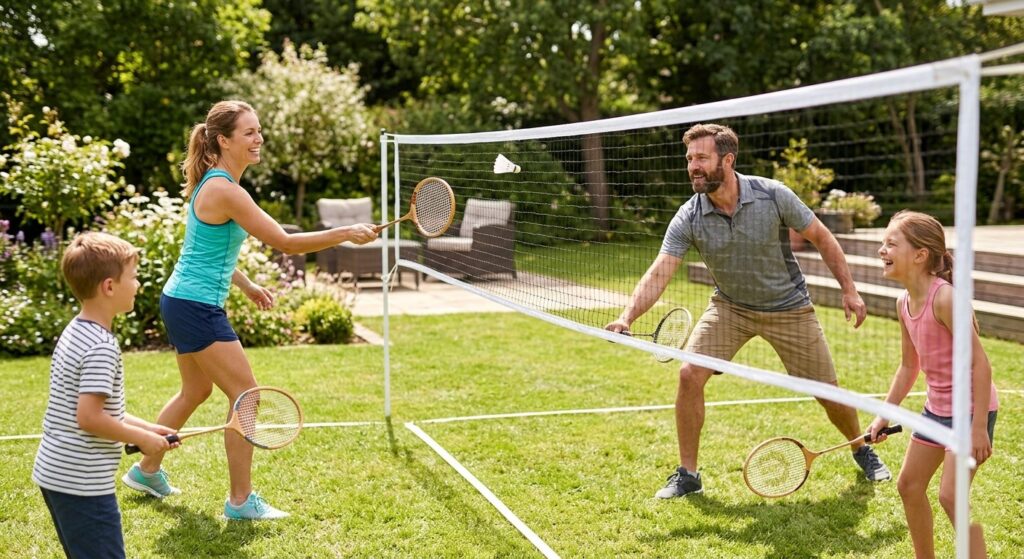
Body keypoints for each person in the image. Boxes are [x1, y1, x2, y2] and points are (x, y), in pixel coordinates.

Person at [120, 100, 378, 520]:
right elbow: (286, 243)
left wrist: (246, 283)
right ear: (223, 140)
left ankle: (146, 470)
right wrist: (347, 232)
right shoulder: (224, 189)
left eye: (259, 131)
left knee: (196, 391)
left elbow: (207, 250)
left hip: (183, 299)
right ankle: (240, 502)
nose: (258, 140)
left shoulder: (218, 184)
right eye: (249, 133)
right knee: (247, 398)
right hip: (195, 306)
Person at [605, 123, 892, 499]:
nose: (692, 165)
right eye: (689, 158)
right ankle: (688, 473)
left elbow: (821, 237)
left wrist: (850, 290)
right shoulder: (689, 215)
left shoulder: (773, 195)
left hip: (788, 307)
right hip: (730, 308)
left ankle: (861, 448)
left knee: (827, 392)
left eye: (701, 158)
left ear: (727, 159)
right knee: (690, 373)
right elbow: (661, 269)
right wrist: (628, 317)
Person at [33, 232, 180, 558]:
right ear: (109, 286)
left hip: (56, 473)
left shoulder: (76, 330)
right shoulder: (101, 346)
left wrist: (148, 430)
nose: (138, 284)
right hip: (81, 483)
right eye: (134, 276)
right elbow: (89, 418)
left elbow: (97, 409)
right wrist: (142, 442)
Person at [868, 210, 997, 559]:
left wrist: (978, 428)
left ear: (920, 255)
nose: (882, 249)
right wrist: (882, 415)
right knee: (909, 486)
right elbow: (909, 366)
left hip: (970, 411)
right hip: (937, 411)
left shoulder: (946, 299)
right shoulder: (903, 303)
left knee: (951, 496)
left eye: (891, 243)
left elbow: (980, 365)